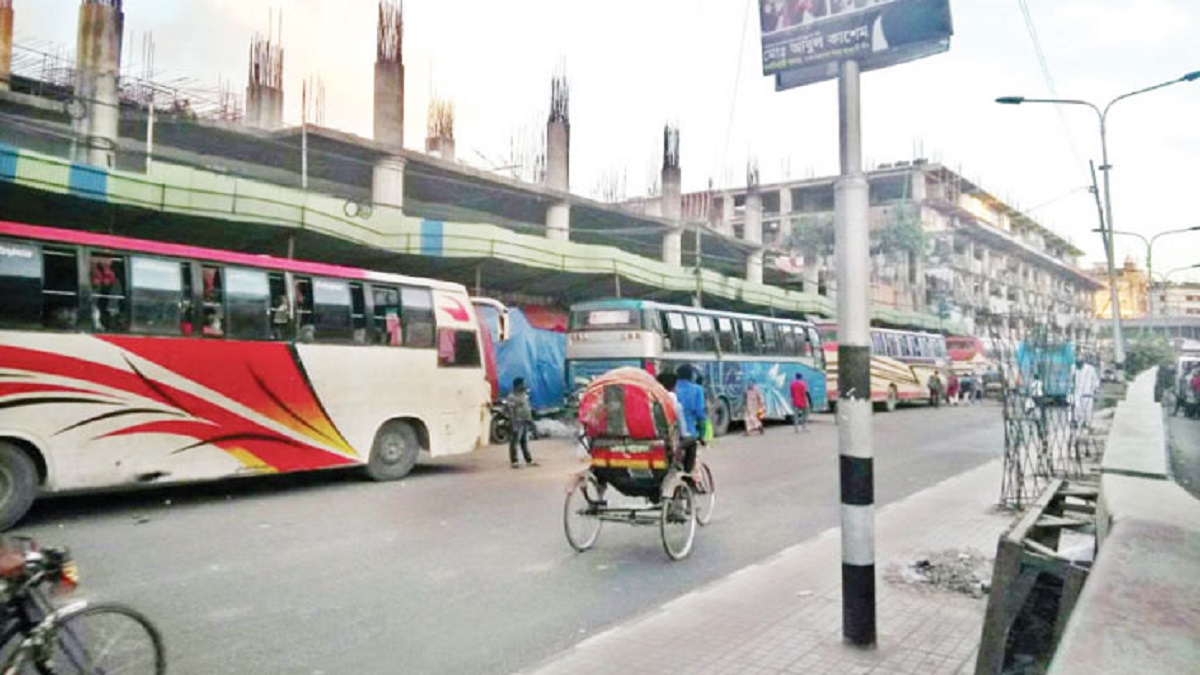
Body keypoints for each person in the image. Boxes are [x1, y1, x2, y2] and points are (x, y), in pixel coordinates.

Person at [673, 366, 707, 473]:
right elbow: (700, 414)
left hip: (672, 431)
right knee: (691, 453)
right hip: (689, 431)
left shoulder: (671, 389)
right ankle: (688, 475)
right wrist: (702, 435)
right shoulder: (697, 389)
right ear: (692, 376)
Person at [505, 378, 537, 468]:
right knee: (515, 442)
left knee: (524, 442)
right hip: (517, 421)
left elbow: (527, 409)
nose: (524, 386)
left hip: (525, 421)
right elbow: (511, 411)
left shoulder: (524, 395)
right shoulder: (512, 397)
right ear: (517, 385)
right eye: (523, 384)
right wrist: (513, 423)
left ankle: (529, 460)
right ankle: (514, 461)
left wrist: (531, 421)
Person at [1071, 359, 1101, 429]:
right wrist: (1071, 389)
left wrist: (1096, 390)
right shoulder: (1073, 368)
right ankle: (1076, 422)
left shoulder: (1090, 369)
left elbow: (1095, 380)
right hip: (1077, 392)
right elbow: (1071, 379)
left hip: (1088, 393)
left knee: (1088, 409)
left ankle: (1087, 424)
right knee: (1077, 408)